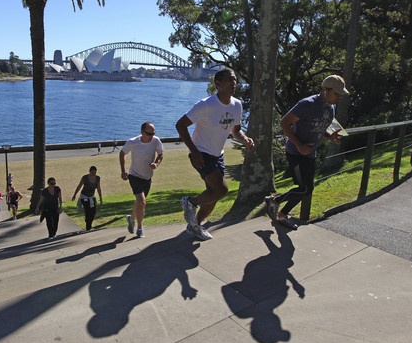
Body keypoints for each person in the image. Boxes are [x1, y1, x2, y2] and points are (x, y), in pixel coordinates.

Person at [176, 68, 255, 241]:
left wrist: (245, 139)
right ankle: (190, 202)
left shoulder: (237, 105)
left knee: (213, 195)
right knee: (221, 190)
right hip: (201, 153)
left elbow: (236, 131)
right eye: (229, 80)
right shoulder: (205, 105)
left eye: (234, 80)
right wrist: (194, 152)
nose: (233, 83)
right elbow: (180, 125)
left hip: (218, 154)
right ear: (218, 84)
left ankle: (195, 226)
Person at [265, 75, 348, 225]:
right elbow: (284, 122)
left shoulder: (331, 107)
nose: (339, 96)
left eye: (341, 93)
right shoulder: (307, 104)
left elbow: (320, 127)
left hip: (310, 154)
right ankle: (274, 201)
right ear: (325, 90)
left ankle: (281, 214)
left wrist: (331, 137)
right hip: (296, 153)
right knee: (305, 189)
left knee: (306, 189)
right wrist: (299, 145)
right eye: (336, 93)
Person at [119, 122, 164, 238]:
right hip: (134, 175)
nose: (151, 136)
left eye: (153, 133)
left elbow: (160, 154)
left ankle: (131, 219)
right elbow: (122, 153)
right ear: (142, 132)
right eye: (148, 133)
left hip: (147, 177)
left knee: (139, 203)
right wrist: (123, 171)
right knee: (142, 202)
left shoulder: (156, 141)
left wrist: (156, 163)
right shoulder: (133, 142)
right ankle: (140, 228)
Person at [72, 166, 103, 231]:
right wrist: (74, 194)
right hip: (84, 196)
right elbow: (79, 185)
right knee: (88, 211)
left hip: (92, 196)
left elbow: (98, 188)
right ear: (89, 172)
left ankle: (89, 223)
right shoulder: (85, 177)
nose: (93, 174)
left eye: (94, 173)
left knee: (93, 212)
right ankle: (88, 226)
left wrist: (100, 198)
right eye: (92, 173)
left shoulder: (98, 178)